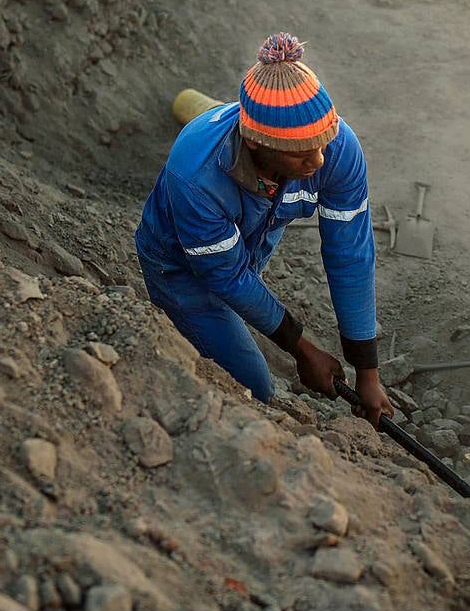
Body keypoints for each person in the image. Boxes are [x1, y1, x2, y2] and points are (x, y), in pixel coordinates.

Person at [134, 33, 395, 429]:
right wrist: (301, 348)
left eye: (323, 142)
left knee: (245, 307)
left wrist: (367, 372)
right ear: (257, 143)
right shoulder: (195, 176)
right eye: (302, 152)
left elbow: (351, 256)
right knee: (253, 387)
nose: (319, 159)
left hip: (245, 252)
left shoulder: (339, 147)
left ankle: (228, 332)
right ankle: (183, 328)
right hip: (181, 268)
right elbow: (230, 277)